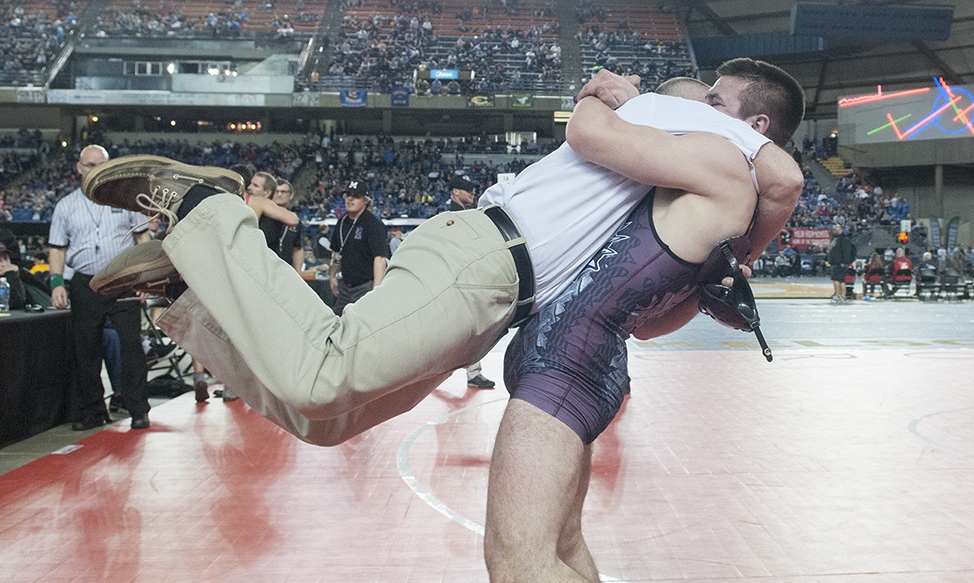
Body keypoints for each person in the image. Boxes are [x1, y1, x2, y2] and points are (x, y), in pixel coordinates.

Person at [83, 59, 804, 449]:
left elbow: (647, 319)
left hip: (496, 292)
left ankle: (186, 287)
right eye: (708, 93)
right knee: (324, 373)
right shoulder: (699, 123)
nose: (707, 95)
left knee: (323, 421)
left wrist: (719, 260)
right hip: (487, 257)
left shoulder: (687, 175)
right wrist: (746, 257)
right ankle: (205, 207)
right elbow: (787, 178)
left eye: (719, 92)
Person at [484, 75, 784, 583]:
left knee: (517, 566)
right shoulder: (691, 189)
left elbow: (783, 175)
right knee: (560, 546)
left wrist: (599, 93)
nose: (698, 107)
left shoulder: (724, 170)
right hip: (583, 358)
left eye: (713, 102)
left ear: (751, 129)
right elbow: (649, 328)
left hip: (565, 362)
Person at [47, 145, 155, 430]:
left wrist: (145, 276)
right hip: (85, 282)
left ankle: (138, 409)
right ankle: (92, 411)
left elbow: (144, 239)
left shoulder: (126, 200)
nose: (93, 169)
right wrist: (57, 282)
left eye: (100, 164)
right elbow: (57, 248)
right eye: (88, 164)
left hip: (123, 280)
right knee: (86, 348)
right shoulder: (65, 206)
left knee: (132, 344)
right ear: (79, 167)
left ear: (109, 168)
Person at [446, 175, 496, 390]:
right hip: (459, 280)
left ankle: (472, 372)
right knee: (468, 328)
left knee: (464, 329)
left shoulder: (464, 214)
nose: (472, 193)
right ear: (455, 192)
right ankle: (472, 372)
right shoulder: (450, 216)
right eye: (467, 189)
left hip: (463, 279)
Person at [328, 179, 389, 315]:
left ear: (365, 200)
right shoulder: (342, 222)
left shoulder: (373, 224)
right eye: (348, 195)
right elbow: (337, 252)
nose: (350, 199)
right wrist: (332, 276)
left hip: (365, 286)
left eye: (356, 196)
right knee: (337, 321)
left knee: (365, 324)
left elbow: (379, 258)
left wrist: (377, 290)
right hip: (345, 286)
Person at [273, 178, 306, 271]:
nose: (279, 195)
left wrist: (298, 273)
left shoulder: (294, 221)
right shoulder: (262, 218)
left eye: (283, 192)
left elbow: (297, 248)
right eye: (276, 191)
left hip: (285, 270)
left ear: (291, 195)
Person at [825, 223, 855, 303]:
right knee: (841, 280)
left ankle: (838, 295)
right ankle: (842, 295)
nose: (834, 231)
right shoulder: (836, 239)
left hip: (839, 263)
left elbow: (846, 251)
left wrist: (844, 261)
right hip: (836, 262)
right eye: (834, 229)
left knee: (836, 279)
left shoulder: (844, 239)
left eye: (836, 229)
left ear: (840, 229)